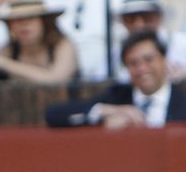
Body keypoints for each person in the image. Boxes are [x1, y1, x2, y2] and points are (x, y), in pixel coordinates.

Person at [46, 27, 186, 124]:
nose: (142, 68)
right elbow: (54, 115)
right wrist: (108, 111)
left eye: (149, 60)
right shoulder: (117, 96)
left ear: (164, 60)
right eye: (133, 63)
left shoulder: (181, 100)